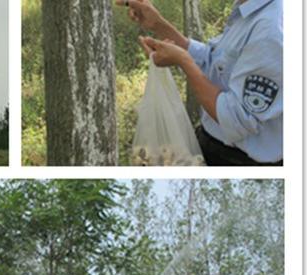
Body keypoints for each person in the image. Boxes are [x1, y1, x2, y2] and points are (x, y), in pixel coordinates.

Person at [118, 0, 283, 166]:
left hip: (239, 161)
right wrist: (158, 25)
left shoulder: (271, 28)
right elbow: (215, 61)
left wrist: (184, 61)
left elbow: (237, 119)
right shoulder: (247, 9)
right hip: (211, 145)